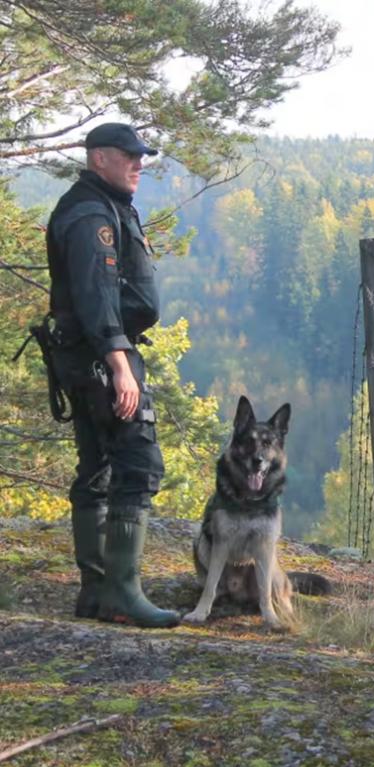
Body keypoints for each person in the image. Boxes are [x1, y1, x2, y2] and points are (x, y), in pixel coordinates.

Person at [45, 122, 179, 628]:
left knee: (98, 465)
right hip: (102, 354)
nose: (139, 164)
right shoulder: (90, 214)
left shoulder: (101, 204)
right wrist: (119, 363)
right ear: (99, 158)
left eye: (141, 156)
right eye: (129, 156)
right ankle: (120, 592)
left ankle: (98, 593)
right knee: (139, 462)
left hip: (87, 353)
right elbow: (96, 294)